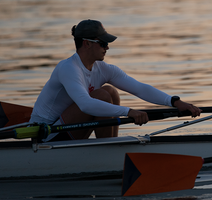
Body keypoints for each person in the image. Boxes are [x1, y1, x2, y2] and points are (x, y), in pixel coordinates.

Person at [29, 19, 201, 141]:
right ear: (86, 44)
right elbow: (85, 105)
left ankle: (109, 145)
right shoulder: (68, 68)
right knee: (101, 96)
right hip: (46, 134)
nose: (107, 47)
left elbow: (139, 88)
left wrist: (175, 102)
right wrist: (129, 112)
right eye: (103, 43)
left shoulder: (103, 69)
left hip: (68, 127)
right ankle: (108, 152)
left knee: (111, 92)